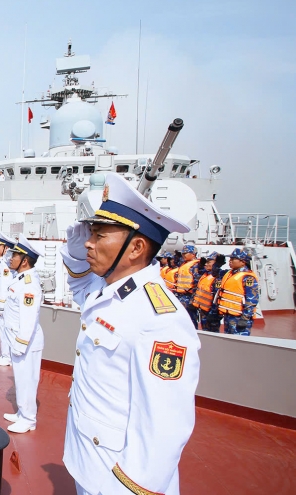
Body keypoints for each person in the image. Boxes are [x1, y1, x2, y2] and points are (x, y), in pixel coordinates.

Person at [60, 173, 199, 495]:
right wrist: (76, 255)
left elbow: (164, 426)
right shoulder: (111, 291)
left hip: (119, 478)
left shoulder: (159, 318)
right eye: (90, 234)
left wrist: (130, 487)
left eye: (99, 236)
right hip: (90, 460)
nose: (89, 243)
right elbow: (82, 289)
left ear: (136, 247)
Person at [1, 237, 43, 434]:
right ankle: (21, 412)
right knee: (20, 379)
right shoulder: (20, 279)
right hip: (17, 340)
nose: (11, 258)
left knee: (27, 381)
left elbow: (28, 318)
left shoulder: (29, 284)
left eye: (15, 255)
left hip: (26, 342)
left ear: (25, 261)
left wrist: (20, 343)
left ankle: (28, 419)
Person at [218, 248, 259, 336]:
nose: (230, 261)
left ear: (243, 262)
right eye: (230, 258)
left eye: (233, 259)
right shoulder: (229, 273)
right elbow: (214, 273)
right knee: (228, 341)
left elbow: (252, 299)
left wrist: (245, 318)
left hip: (239, 317)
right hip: (228, 315)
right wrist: (217, 265)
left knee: (239, 342)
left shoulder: (248, 277)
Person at [0, 234, 16, 367]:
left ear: (6, 248)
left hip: (4, 301)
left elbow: (5, 284)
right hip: (0, 299)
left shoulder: (6, 266)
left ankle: (6, 357)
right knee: (2, 328)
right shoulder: (2, 263)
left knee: (4, 328)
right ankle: (4, 355)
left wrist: (1, 303)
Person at [192, 254, 225, 332]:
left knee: (212, 334)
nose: (206, 264)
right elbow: (196, 273)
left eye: (209, 262)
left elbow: (217, 296)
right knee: (205, 332)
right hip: (203, 310)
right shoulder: (205, 274)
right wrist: (200, 265)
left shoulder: (218, 276)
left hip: (211, 312)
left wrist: (214, 313)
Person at [173, 245, 201, 328]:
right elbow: (176, 262)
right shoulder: (184, 264)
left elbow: (197, 283)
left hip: (189, 296)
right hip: (181, 295)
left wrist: (193, 299)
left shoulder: (195, 265)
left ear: (193, 254)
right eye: (183, 253)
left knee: (190, 319)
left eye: (186, 253)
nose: (183, 255)